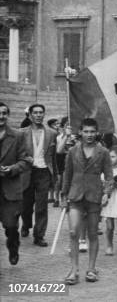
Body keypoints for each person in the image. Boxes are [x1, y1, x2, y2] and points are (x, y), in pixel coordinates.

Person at [61, 118, 113, 284]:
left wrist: (107, 192)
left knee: (92, 234)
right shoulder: (72, 151)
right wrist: (63, 195)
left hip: (94, 196)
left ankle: (91, 269)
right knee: (73, 232)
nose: (89, 135)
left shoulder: (103, 152)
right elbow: (67, 174)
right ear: (81, 132)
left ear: (97, 133)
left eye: (92, 132)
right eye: (86, 131)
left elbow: (110, 176)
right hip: (75, 195)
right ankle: (74, 270)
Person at [20, 103, 58, 246]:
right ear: (30, 115)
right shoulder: (22, 133)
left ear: (44, 114)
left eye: (41, 112)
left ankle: (39, 235)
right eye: (35, 112)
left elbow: (53, 157)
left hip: (44, 172)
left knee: (42, 206)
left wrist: (56, 175)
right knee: (26, 205)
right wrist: (25, 158)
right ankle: (26, 224)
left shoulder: (52, 133)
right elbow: (18, 153)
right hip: (27, 172)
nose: (38, 115)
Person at [0, 102, 31, 265]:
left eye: (4, 113)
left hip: (10, 190)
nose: (1, 116)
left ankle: (13, 246)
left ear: (8, 115)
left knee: (11, 227)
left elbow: (25, 160)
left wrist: (11, 169)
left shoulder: (17, 136)